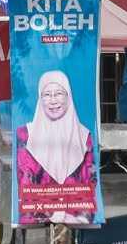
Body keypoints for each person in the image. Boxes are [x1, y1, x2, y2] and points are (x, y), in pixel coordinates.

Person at [16, 71, 97, 226]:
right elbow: (25, 182)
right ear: (40, 99)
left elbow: (89, 181)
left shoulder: (84, 136)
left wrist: (73, 215)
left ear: (68, 96)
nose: (53, 100)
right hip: (36, 216)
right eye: (47, 94)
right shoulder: (26, 135)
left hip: (76, 218)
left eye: (59, 93)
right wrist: (52, 212)